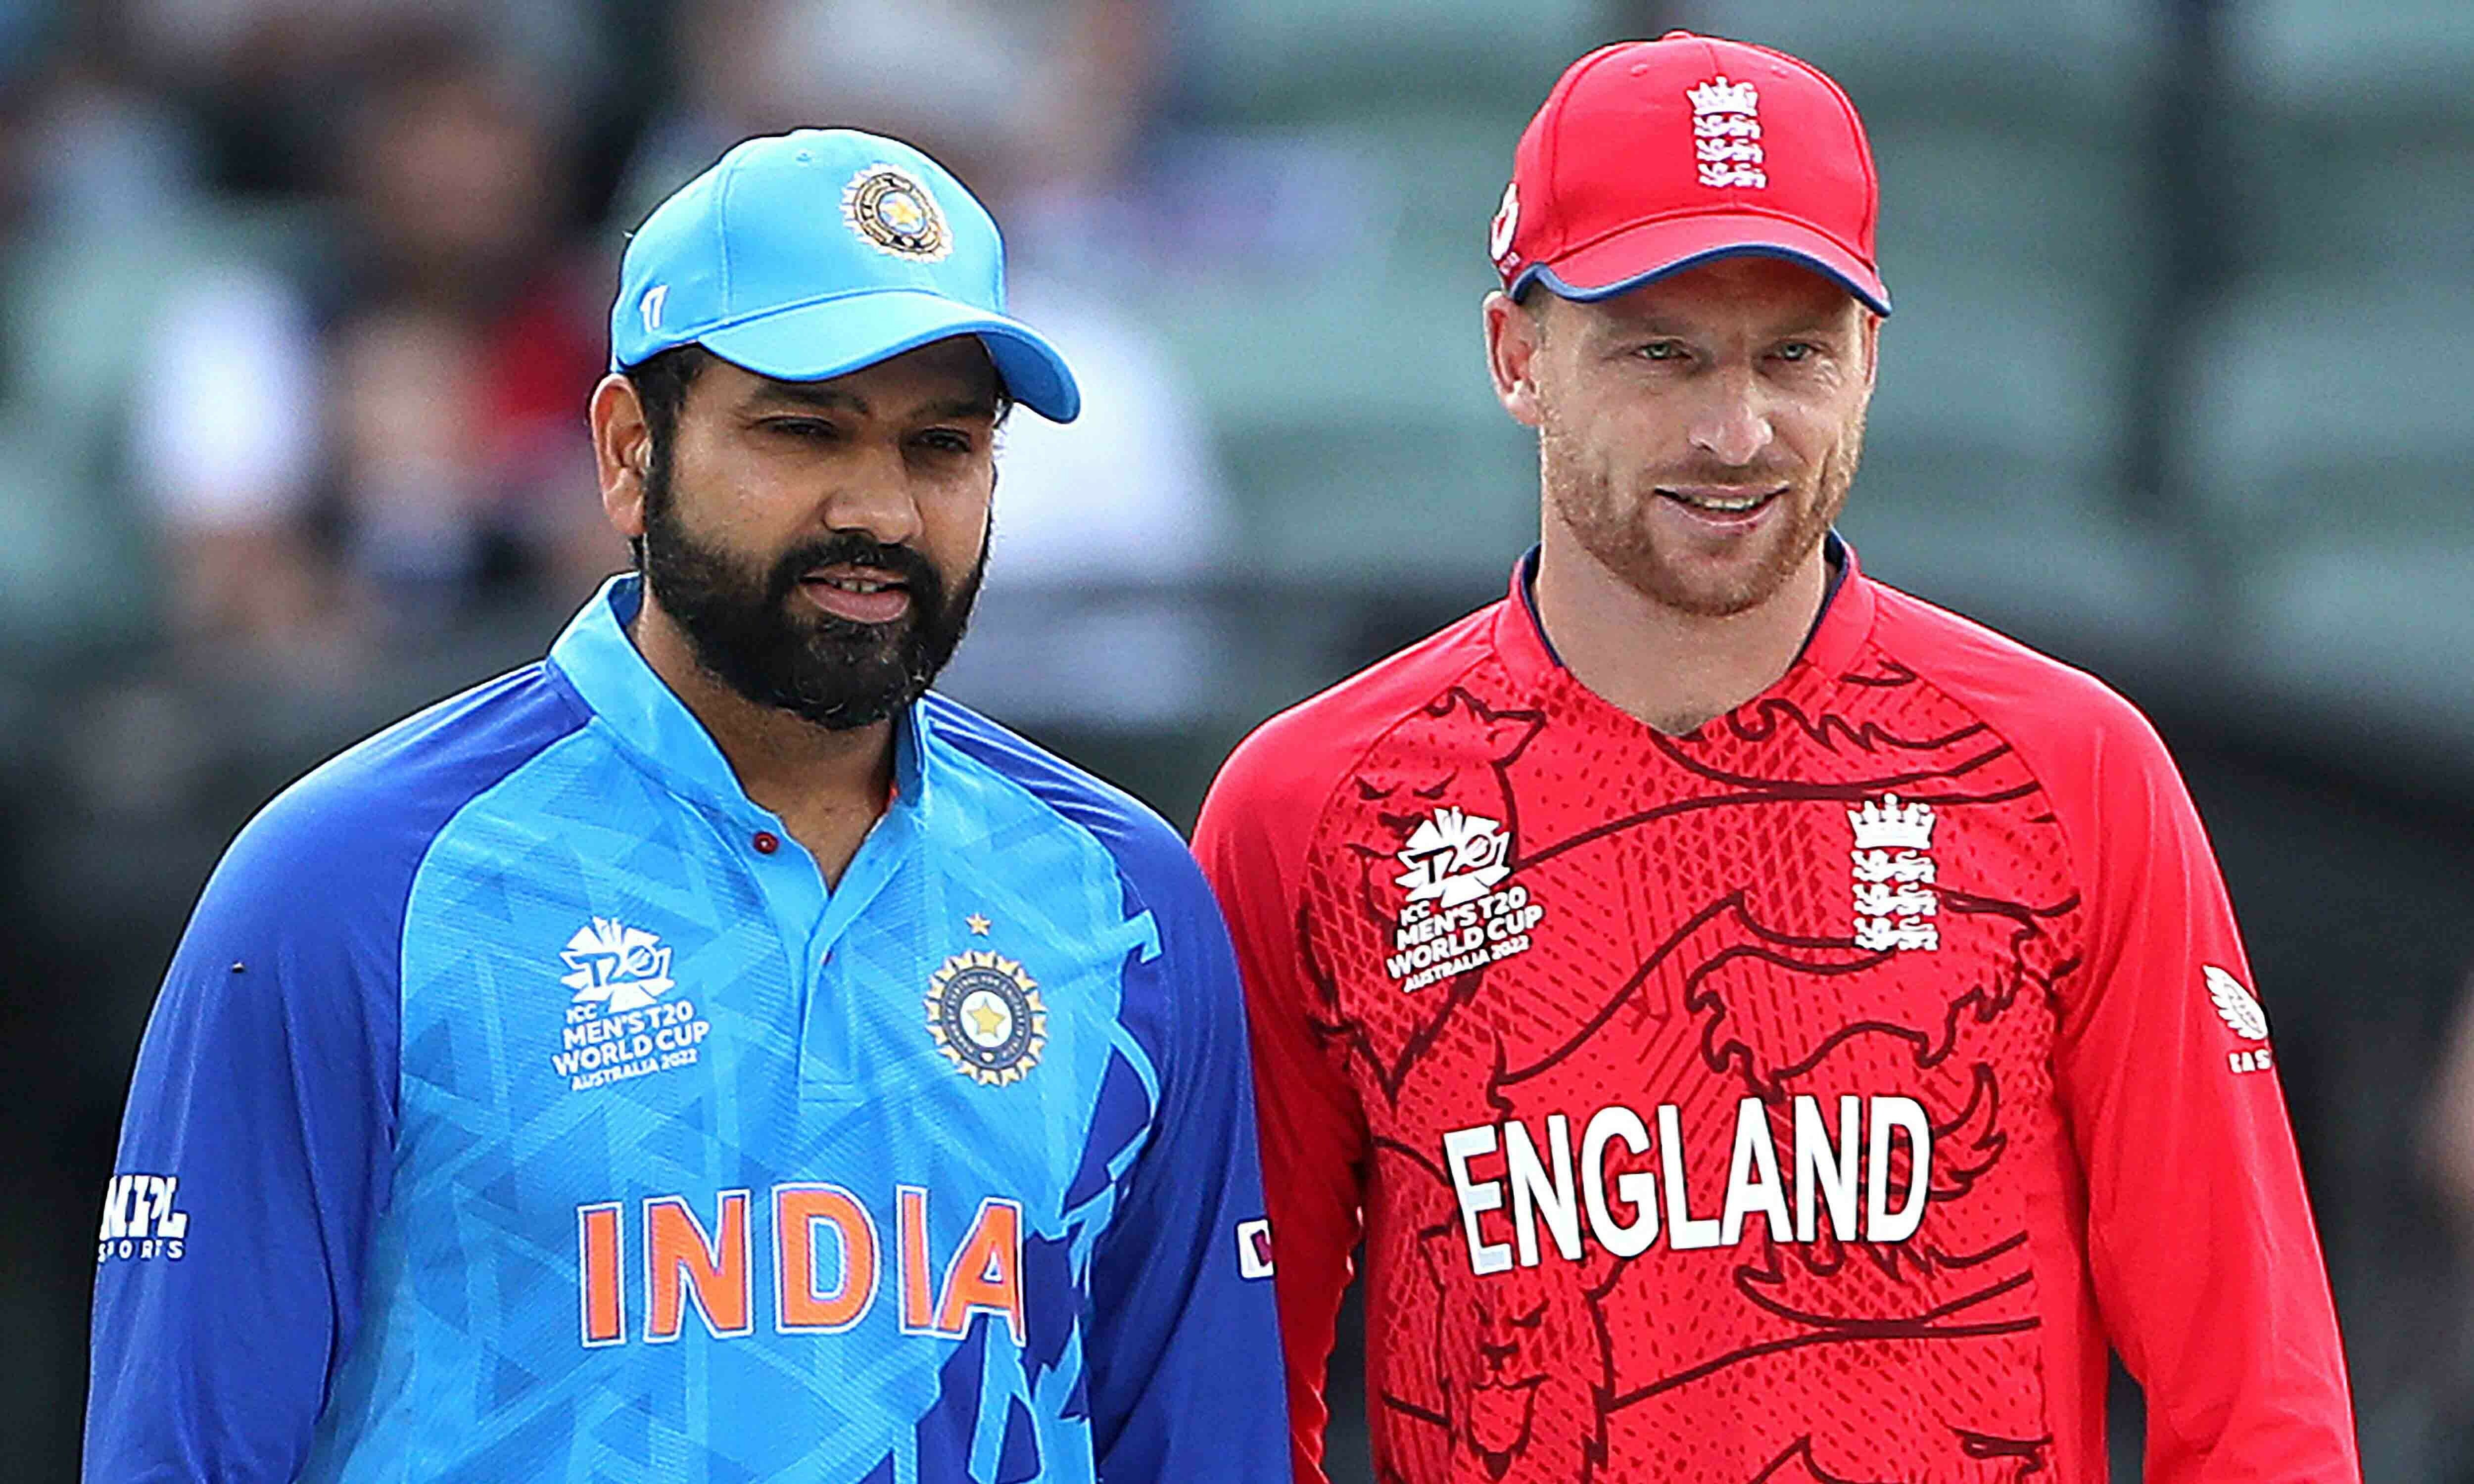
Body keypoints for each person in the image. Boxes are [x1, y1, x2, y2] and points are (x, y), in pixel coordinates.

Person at [1193, 32, 2359, 1484]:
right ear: (1516, 356)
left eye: (1793, 352)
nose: (1735, 429)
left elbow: (2256, 1403)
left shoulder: (2070, 775)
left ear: (1872, 360)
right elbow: (1228, 1411)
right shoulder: (1313, 812)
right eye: (1660, 349)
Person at [85, 127, 1286, 1482]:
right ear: (625, 452)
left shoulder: (1125, 907)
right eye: (803, 432)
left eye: (941, 446)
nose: (879, 509)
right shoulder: (350, 885)